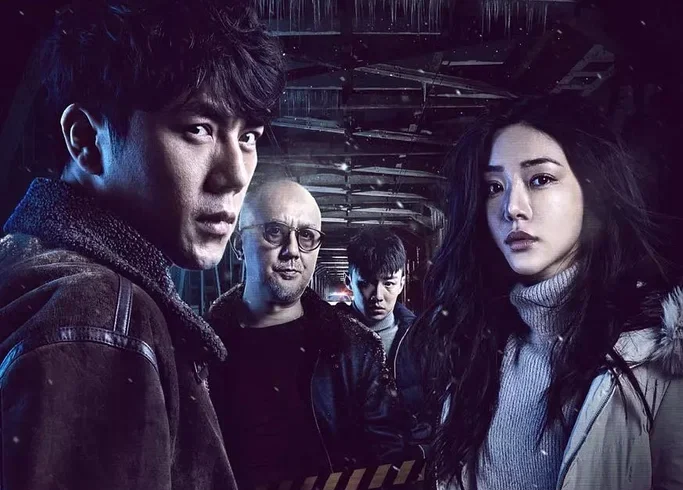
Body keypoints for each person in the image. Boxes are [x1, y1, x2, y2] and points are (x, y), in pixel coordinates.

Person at [0, 1, 284, 489]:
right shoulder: (96, 315)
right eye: (198, 129)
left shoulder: (30, 261)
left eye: (249, 136)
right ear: (87, 140)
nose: (236, 175)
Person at [410, 95, 683, 490]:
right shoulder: (474, 348)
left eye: (540, 179)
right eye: (494, 187)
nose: (512, 208)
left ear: (592, 189)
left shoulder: (661, 355)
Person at [206, 179, 407, 488]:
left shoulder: (356, 349)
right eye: (274, 232)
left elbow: (388, 462)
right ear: (238, 245)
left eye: (307, 236)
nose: (292, 251)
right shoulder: (199, 346)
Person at [337, 228, 431, 456]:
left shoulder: (421, 338)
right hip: (347, 467)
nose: (378, 296)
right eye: (366, 283)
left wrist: (421, 450)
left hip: (409, 464)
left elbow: (435, 407)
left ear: (401, 283)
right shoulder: (328, 337)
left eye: (388, 283)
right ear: (349, 281)